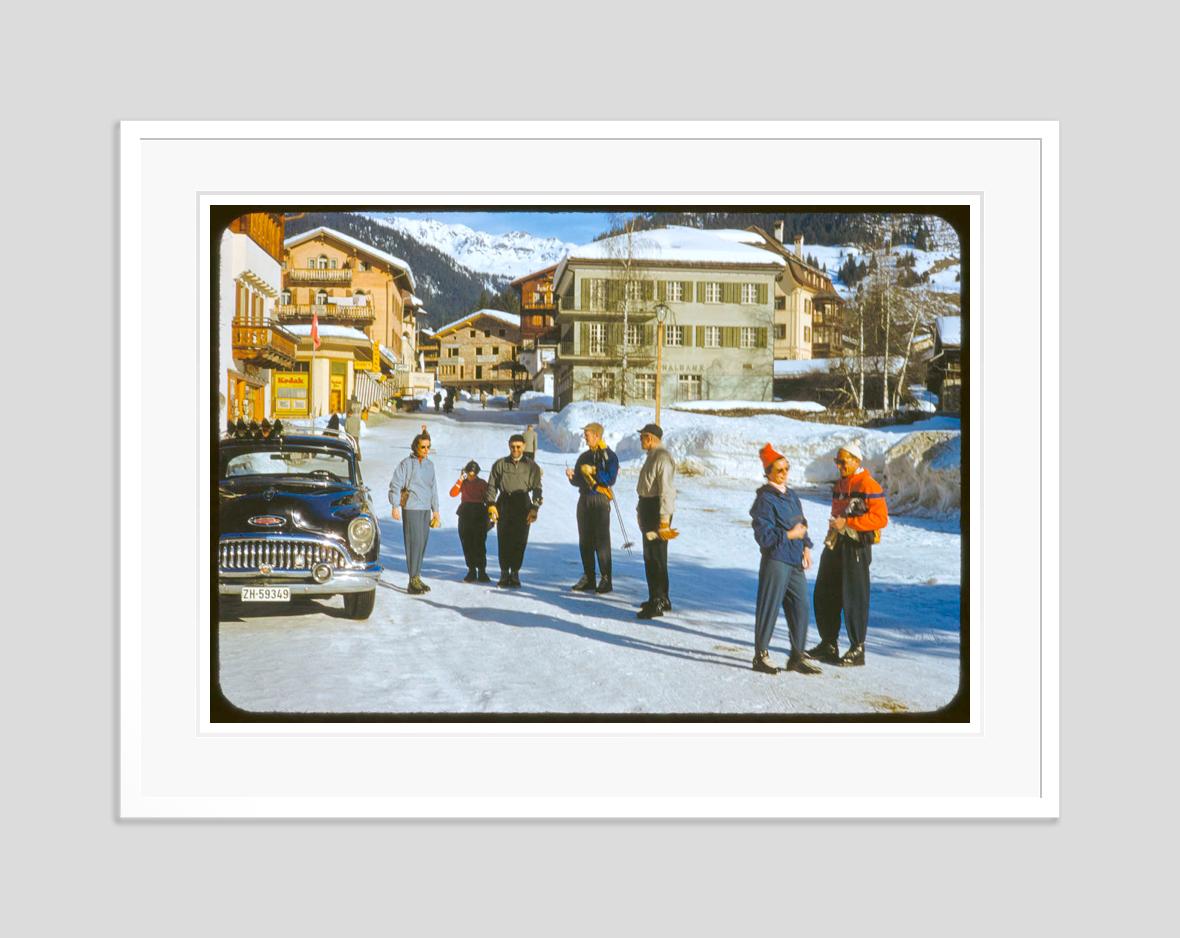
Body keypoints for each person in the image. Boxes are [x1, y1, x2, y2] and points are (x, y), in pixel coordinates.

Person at [808, 441, 888, 667]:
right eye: (837, 461)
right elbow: (836, 514)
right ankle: (829, 644)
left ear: (856, 461)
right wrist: (833, 530)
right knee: (824, 592)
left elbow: (881, 518)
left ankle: (857, 648)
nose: (839, 465)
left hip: (856, 547)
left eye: (843, 461)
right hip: (836, 543)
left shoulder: (868, 485)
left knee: (854, 596)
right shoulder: (840, 484)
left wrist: (848, 522)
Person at [749, 444, 821, 675]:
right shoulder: (764, 500)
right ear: (768, 472)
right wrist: (790, 535)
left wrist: (806, 548)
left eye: (787, 468)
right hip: (776, 559)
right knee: (769, 606)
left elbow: (802, 523)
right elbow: (763, 536)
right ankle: (761, 655)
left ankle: (797, 656)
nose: (784, 473)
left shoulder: (791, 495)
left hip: (794, 559)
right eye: (779, 470)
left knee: (801, 607)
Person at [565, 421, 619, 594]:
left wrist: (594, 470)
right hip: (585, 499)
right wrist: (572, 477)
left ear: (597, 435)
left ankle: (606, 579)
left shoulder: (609, 456)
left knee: (601, 541)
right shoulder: (584, 456)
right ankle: (589, 577)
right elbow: (579, 481)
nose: (584, 437)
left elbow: (610, 479)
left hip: (600, 500)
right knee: (585, 540)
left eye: (587, 434)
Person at [484, 433, 543, 587]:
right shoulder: (500, 464)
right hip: (504, 502)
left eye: (518, 446)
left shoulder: (532, 466)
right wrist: (491, 504)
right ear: (509, 446)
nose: (515, 449)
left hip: (523, 503)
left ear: (523, 446)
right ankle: (504, 573)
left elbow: (537, 488)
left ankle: (515, 573)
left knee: (520, 539)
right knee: (504, 538)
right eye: (512, 446)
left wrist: (534, 508)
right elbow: (491, 486)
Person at [387, 431, 441, 595]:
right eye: (422, 447)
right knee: (413, 543)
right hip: (411, 508)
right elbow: (396, 484)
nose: (425, 450)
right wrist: (395, 505)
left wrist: (436, 511)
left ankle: (417, 576)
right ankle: (412, 580)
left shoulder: (430, 465)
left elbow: (434, 489)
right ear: (415, 447)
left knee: (422, 543)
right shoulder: (406, 464)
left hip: (425, 508)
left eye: (428, 447)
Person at [635, 423, 678, 619]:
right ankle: (660, 597)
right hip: (648, 508)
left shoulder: (662, 458)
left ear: (650, 437)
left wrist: (664, 520)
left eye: (642, 436)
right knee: (652, 556)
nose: (640, 440)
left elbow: (666, 491)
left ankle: (658, 601)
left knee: (656, 558)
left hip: (656, 511)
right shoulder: (652, 456)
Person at [450, 460, 491, 583]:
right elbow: (452, 493)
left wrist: (490, 514)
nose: (471, 476)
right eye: (469, 473)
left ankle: (482, 570)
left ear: (477, 473)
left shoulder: (482, 483)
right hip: (465, 512)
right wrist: (460, 479)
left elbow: (489, 497)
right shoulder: (463, 483)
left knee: (479, 542)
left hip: (479, 512)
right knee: (467, 542)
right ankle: (471, 570)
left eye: (473, 473)